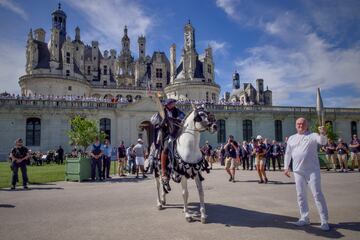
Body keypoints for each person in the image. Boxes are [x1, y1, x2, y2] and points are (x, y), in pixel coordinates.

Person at [284, 118, 330, 231]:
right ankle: (304, 218)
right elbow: (288, 153)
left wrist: (323, 133)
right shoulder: (292, 138)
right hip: (298, 171)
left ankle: (324, 221)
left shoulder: (313, 135)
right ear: (295, 125)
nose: (300, 125)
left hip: (312, 170)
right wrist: (286, 167)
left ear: (306, 125)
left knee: (317, 194)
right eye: (298, 124)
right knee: (300, 195)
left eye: (302, 123)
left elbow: (323, 142)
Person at [152, 98, 185, 181]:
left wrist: (179, 120)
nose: (173, 104)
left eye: (173, 103)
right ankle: (163, 172)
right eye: (171, 103)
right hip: (166, 134)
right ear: (167, 104)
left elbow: (183, 117)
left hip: (177, 133)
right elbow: (153, 121)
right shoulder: (161, 112)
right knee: (166, 148)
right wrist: (161, 122)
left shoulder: (177, 111)